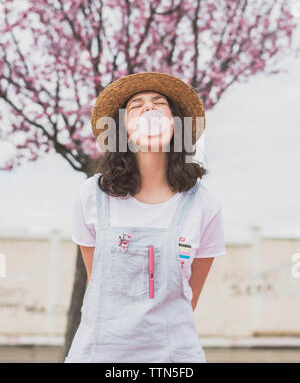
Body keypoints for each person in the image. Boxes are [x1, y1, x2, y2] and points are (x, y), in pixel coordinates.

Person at [64, 72, 226, 363]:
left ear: (176, 123)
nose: (148, 108)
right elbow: (97, 284)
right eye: (136, 105)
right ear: (122, 128)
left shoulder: (204, 204)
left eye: (158, 102)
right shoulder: (91, 196)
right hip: (98, 353)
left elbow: (189, 299)